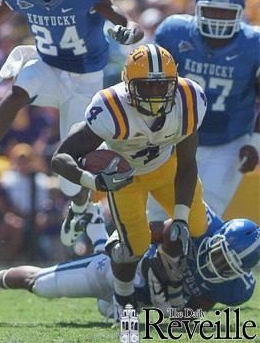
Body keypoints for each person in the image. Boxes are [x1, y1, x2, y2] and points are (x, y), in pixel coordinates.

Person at [0, 0, 144, 219]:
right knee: (19, 88)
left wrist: (128, 31)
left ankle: (80, 209)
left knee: (67, 180)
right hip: (48, 64)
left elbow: (121, 18)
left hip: (85, 78)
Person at [50, 43, 208, 311]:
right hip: (126, 178)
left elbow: (188, 163)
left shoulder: (188, 99)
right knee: (133, 247)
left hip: (167, 168)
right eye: (147, 86)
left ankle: (165, 276)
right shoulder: (112, 107)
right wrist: (95, 182)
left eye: (162, 85)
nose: (156, 93)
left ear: (174, 82)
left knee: (196, 227)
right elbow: (59, 158)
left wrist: (179, 216)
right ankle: (123, 298)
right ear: (128, 84)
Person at [0, 205, 259, 321]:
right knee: (38, 285)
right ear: (216, 237)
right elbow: (137, 234)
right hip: (125, 269)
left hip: (142, 303)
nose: (216, 265)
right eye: (220, 255)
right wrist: (151, 268)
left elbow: (193, 312)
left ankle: (95, 229)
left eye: (226, 267)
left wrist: (166, 315)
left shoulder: (236, 289)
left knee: (110, 309)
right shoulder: (194, 227)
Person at [153, 0, 260, 218]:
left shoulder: (254, 45)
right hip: (175, 136)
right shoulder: (173, 33)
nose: (218, 20)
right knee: (156, 215)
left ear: (240, 12)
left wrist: (255, 143)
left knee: (204, 215)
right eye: (212, 11)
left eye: (226, 13)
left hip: (228, 142)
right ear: (197, 9)